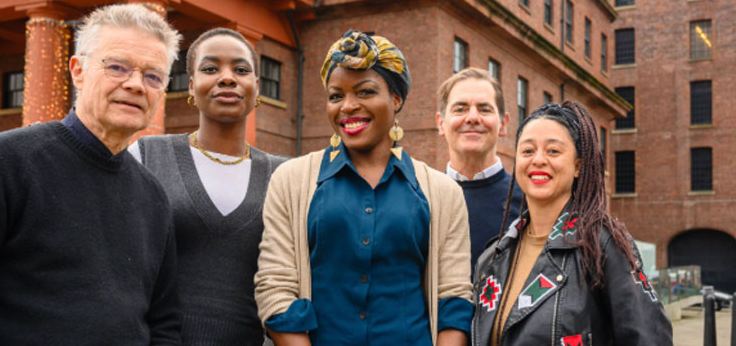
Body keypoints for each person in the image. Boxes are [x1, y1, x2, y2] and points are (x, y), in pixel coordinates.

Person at [255, 30, 473, 346]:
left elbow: (453, 297)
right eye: (335, 96)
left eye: (365, 91)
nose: (348, 106)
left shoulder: (442, 192)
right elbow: (275, 287)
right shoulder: (290, 181)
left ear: (396, 99)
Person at [0, 4, 183, 345]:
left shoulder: (153, 196)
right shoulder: (5, 162)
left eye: (153, 76)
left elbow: (163, 321)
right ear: (78, 71)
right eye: (117, 67)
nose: (136, 84)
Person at [128, 27, 285, 345]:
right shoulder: (145, 156)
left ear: (256, 87)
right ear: (191, 85)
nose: (227, 78)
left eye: (241, 70)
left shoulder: (284, 176)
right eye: (211, 68)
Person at [471, 102, 673, 346]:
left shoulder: (602, 247)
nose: (538, 160)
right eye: (527, 151)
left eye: (553, 151)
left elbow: (649, 338)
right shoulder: (493, 258)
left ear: (578, 166)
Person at [436, 68, 523, 269]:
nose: (473, 117)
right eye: (460, 109)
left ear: (503, 124)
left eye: (485, 109)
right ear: (441, 123)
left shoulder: (530, 201)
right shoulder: (422, 198)